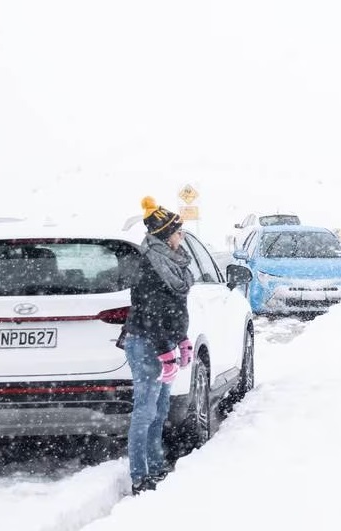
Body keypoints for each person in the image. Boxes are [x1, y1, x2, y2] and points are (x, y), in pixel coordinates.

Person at [122, 196, 194, 495]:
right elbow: (150, 312)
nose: (182, 237)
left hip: (163, 342)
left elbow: (173, 310)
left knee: (161, 408)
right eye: (179, 233)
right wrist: (165, 350)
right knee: (145, 410)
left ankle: (155, 464)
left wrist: (182, 340)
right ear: (166, 235)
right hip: (145, 343)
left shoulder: (171, 263)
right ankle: (140, 476)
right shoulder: (150, 265)